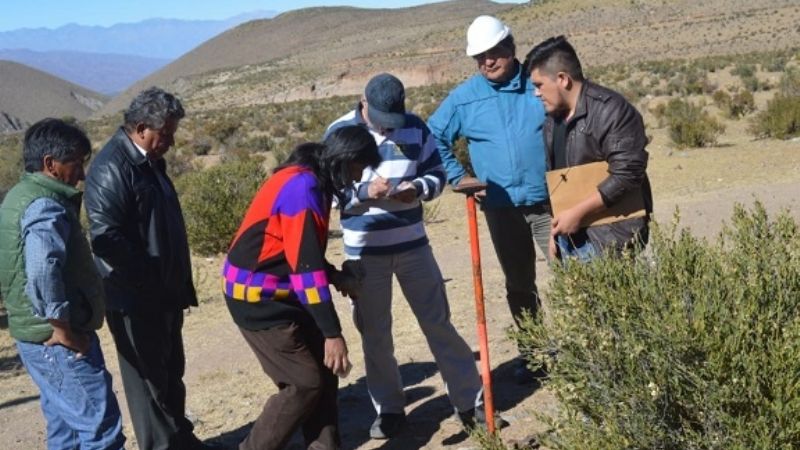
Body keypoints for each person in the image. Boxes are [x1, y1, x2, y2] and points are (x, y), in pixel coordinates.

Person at [326, 73, 485, 439]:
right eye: (383, 120)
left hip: (414, 244)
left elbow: (436, 174)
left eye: (393, 121)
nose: (389, 128)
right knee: (375, 333)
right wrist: (366, 191)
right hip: (365, 251)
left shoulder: (415, 126)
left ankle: (469, 402)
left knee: (438, 323)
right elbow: (331, 192)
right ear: (363, 102)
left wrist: (417, 188)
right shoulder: (339, 132)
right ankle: (390, 409)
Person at [222, 125, 380, 450]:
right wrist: (333, 334)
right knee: (303, 382)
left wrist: (336, 277)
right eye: (357, 167)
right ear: (344, 159)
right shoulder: (302, 187)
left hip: (282, 289)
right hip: (257, 296)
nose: (357, 177)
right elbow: (305, 271)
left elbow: (298, 253)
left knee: (324, 373)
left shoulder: (311, 179)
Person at [84, 87, 213, 450]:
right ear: (141, 128)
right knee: (149, 385)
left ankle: (181, 441)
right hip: (136, 299)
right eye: (166, 133)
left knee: (171, 375)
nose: (170, 142)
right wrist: (149, 280)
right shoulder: (112, 168)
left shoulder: (150, 161)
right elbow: (106, 239)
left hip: (164, 292)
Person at [427, 15, 550, 383]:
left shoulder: (538, 83)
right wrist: (458, 175)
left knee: (574, 273)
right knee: (519, 283)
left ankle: (591, 349)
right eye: (479, 57)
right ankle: (536, 354)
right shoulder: (465, 98)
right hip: (501, 207)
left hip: (551, 202)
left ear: (511, 48)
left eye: (494, 52)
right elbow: (432, 136)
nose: (487, 62)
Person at [0, 118, 126, 450]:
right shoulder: (45, 205)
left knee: (65, 428)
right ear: (50, 164)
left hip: (33, 337)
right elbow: (42, 269)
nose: (82, 174)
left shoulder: (19, 195)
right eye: (76, 164)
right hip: (57, 341)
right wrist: (62, 328)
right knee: (101, 430)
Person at [524, 35, 652, 260]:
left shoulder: (612, 111)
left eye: (539, 85)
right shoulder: (552, 121)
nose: (536, 93)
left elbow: (628, 173)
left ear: (562, 79)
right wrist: (554, 234)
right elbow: (558, 181)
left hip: (609, 240)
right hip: (569, 238)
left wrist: (578, 214)